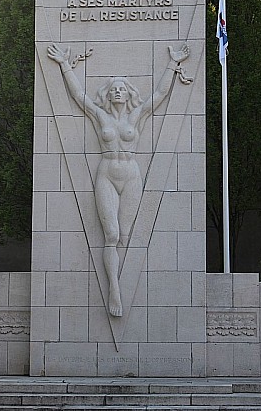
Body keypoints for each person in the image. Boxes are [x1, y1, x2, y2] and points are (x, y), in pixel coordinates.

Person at [47, 43, 190, 317]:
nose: (117, 91)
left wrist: (173, 63)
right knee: (111, 235)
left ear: (128, 94)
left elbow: (159, 94)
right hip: (107, 173)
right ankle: (114, 288)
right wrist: (65, 64)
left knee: (124, 234)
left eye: (122, 88)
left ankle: (122, 280)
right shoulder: (99, 115)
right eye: (113, 88)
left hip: (131, 174)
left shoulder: (137, 115)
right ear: (108, 94)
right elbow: (79, 96)